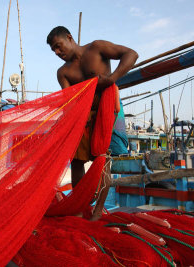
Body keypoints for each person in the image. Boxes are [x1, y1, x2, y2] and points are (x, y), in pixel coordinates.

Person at [47, 26, 138, 216]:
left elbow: (131, 54)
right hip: (82, 116)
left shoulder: (96, 48)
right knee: (77, 161)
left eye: (58, 46)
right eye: (53, 50)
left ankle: (97, 212)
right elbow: (69, 101)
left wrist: (111, 79)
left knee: (102, 158)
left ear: (69, 38)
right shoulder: (63, 72)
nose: (57, 52)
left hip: (107, 111)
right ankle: (80, 208)